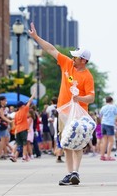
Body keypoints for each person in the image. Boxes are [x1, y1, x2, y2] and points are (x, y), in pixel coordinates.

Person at [29, 22, 95, 186]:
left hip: (79, 113)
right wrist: (36, 37)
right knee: (66, 142)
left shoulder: (87, 76)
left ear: (84, 60)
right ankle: (71, 173)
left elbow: (91, 98)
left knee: (77, 142)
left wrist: (79, 98)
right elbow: (51, 50)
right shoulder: (67, 64)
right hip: (64, 111)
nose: (73, 58)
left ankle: (75, 172)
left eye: (76, 57)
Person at [10, 94, 35, 162]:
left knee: (17, 143)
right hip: (23, 129)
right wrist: (33, 95)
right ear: (22, 106)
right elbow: (29, 101)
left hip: (17, 129)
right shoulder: (24, 110)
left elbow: (14, 123)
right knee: (24, 144)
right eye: (23, 104)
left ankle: (12, 154)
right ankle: (24, 156)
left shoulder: (16, 114)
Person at [99, 96, 117, 161]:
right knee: (111, 141)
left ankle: (102, 155)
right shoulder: (113, 107)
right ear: (112, 101)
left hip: (103, 124)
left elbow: (100, 116)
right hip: (110, 124)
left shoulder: (103, 107)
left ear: (106, 101)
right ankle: (108, 156)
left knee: (104, 141)